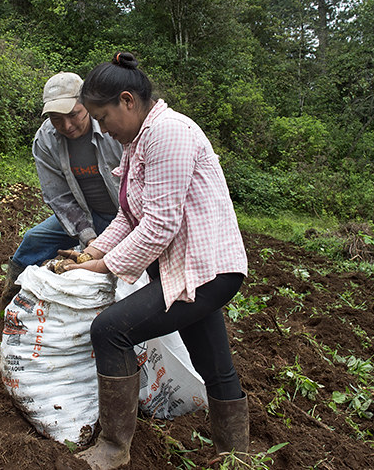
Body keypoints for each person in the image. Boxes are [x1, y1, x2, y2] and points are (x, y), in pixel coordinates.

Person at [59, 52, 249, 470]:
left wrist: (104, 266)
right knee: (214, 362)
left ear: (127, 100)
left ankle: (113, 448)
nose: (102, 128)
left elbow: (160, 224)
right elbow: (129, 216)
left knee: (110, 331)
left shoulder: (168, 133)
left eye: (103, 117)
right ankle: (235, 457)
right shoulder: (138, 143)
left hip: (206, 269)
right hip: (186, 270)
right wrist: (91, 252)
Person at [0, 72, 123, 328]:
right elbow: (59, 197)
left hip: (122, 215)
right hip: (84, 214)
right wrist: (89, 237)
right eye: (57, 118)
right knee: (33, 240)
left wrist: (108, 241)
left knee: (127, 269)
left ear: (86, 105)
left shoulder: (113, 129)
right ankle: (6, 304)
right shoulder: (46, 140)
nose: (66, 125)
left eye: (74, 114)